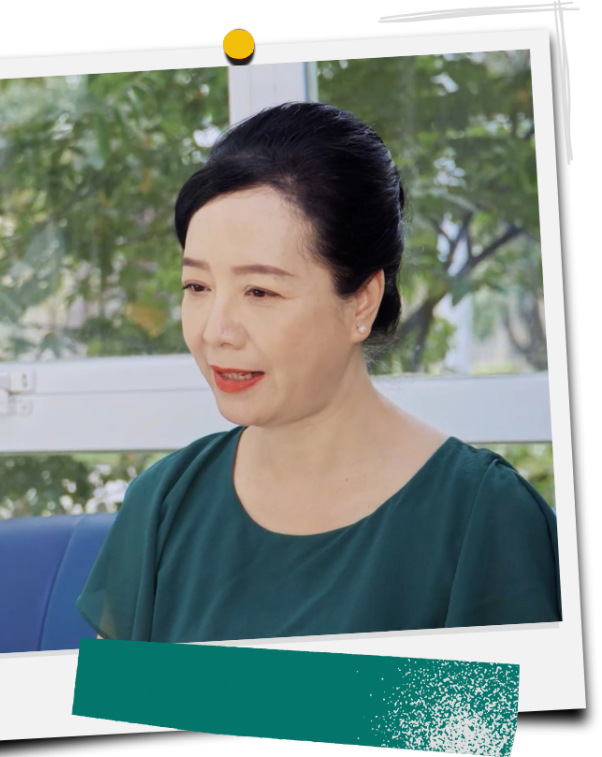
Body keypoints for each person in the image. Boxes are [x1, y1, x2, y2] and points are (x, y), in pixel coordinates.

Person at [77, 102, 561, 643]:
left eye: (260, 291)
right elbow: (117, 696)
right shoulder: (164, 502)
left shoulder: (484, 517)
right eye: (197, 287)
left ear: (362, 302)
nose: (216, 331)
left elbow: (491, 704)